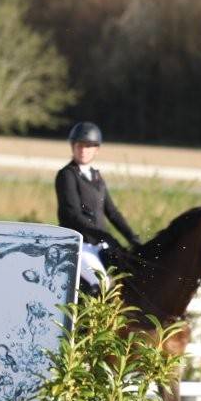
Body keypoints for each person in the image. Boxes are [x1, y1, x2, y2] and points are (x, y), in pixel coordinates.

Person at [55, 121, 142, 292]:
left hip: (99, 244)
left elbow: (112, 212)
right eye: (79, 145)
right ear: (73, 146)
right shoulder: (66, 175)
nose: (83, 150)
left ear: (96, 149)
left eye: (88, 146)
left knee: (130, 276)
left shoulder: (96, 176)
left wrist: (133, 238)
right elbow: (73, 214)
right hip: (79, 245)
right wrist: (104, 235)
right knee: (102, 283)